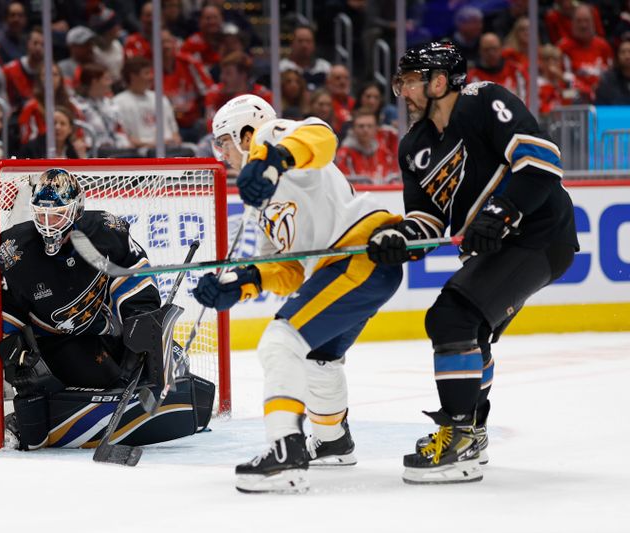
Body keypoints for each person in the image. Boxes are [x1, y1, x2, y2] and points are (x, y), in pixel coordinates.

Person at [367, 42, 578, 484]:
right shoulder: (414, 147)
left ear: (438, 81)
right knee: (468, 328)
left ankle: (460, 434)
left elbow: (541, 160)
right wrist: (397, 239)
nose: (402, 91)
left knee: (452, 318)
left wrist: (502, 212)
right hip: (498, 247)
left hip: (540, 235)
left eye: (408, 80)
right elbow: (427, 222)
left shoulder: (486, 101)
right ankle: (473, 431)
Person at [193, 94, 404, 494]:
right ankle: (331, 441)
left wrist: (272, 159)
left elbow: (322, 135)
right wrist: (240, 283)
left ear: (245, 132)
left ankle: (284, 450)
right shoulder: (258, 202)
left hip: (358, 254)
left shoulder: (273, 137)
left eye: (222, 142)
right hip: (339, 272)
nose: (221, 153)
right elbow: (288, 269)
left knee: (280, 342)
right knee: (319, 358)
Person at [0, 168, 214, 450]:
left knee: (169, 359)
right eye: (42, 214)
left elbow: (132, 275)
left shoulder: (106, 231)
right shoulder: (15, 250)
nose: (48, 224)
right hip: (56, 340)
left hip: (104, 327)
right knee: (107, 378)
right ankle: (42, 414)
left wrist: (141, 320)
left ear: (76, 211)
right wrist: (15, 351)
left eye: (57, 214)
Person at [18, 106, 88, 159]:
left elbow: (84, 177)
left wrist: (82, 156)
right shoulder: (31, 148)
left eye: (62, 123)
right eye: (54, 123)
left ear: (70, 129)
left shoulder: (75, 150)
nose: (57, 127)